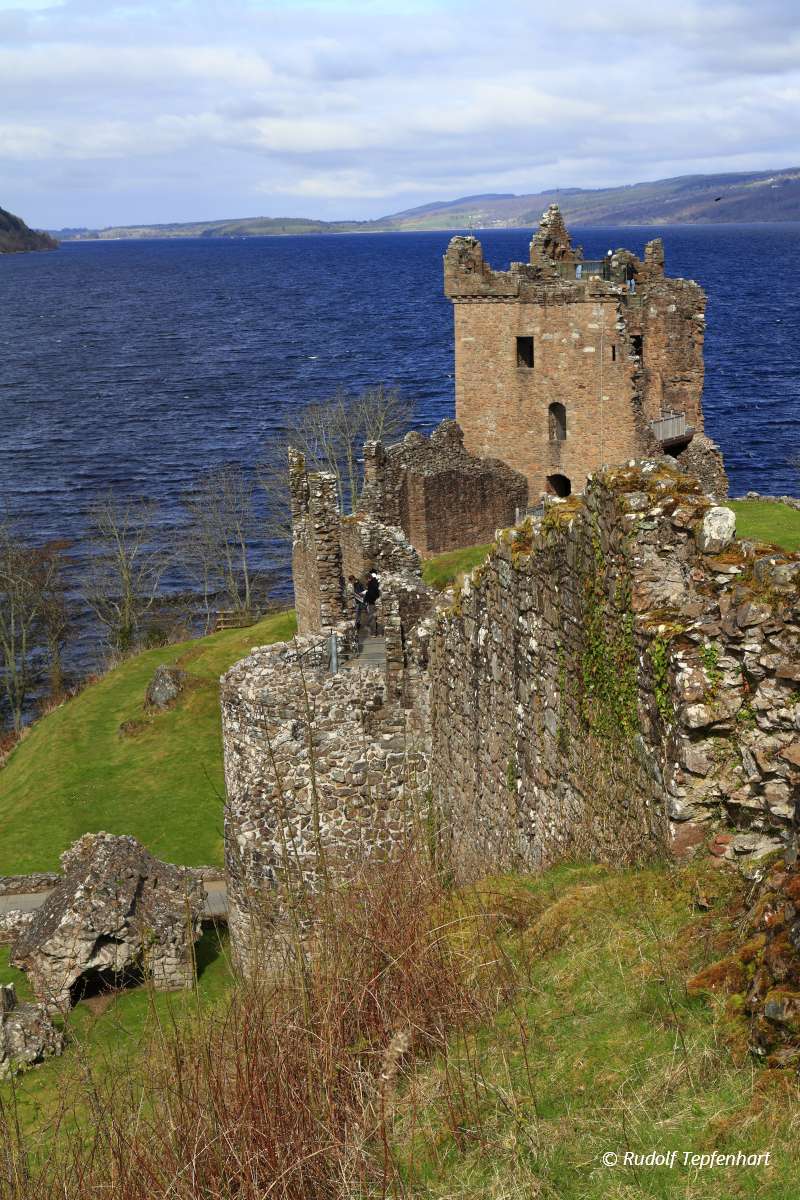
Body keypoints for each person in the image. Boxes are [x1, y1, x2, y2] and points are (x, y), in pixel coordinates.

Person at [364, 569, 380, 635]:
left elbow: (371, 593)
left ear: (368, 578)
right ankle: (377, 632)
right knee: (375, 617)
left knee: (372, 617)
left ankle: (373, 633)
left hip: (372, 602)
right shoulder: (375, 582)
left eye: (366, 579)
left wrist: (366, 595)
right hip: (376, 601)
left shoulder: (371, 584)